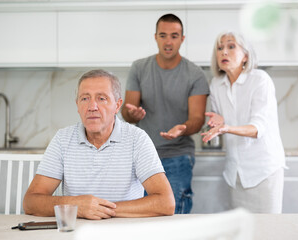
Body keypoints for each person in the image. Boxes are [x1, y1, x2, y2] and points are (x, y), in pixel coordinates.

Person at [23, 69, 175, 219]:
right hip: (77, 234)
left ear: (117, 105)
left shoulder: (137, 139)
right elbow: (31, 202)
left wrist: (99, 210)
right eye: (85, 99)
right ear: (77, 105)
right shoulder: (62, 139)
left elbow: (166, 202)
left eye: (101, 98)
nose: (92, 107)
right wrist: (76, 206)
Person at [121, 14, 209, 214]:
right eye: (163, 35)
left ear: (182, 39)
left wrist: (183, 128)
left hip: (178, 155)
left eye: (174, 36)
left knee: (175, 216)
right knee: (141, 217)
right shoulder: (139, 68)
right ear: (155, 37)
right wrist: (132, 114)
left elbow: (197, 119)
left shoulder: (195, 74)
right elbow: (128, 111)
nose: (168, 41)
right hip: (143, 156)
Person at [202, 32, 286, 213]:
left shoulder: (260, 80)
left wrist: (226, 127)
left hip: (263, 172)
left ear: (245, 55)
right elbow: (219, 118)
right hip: (236, 173)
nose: (224, 52)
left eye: (231, 46)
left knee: (269, 231)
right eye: (220, 48)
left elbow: (258, 128)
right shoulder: (216, 84)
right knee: (243, 231)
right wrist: (219, 121)